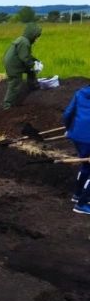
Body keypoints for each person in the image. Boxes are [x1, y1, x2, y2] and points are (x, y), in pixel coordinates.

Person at [63, 84, 90, 215]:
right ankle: (82, 204)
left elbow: (68, 113)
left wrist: (68, 129)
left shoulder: (80, 93)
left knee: (86, 165)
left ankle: (78, 195)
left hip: (77, 135)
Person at [2, 23, 42, 110]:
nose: (37, 39)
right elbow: (25, 58)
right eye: (36, 36)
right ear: (32, 35)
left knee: (31, 71)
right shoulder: (24, 42)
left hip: (16, 63)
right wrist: (34, 65)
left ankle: (32, 86)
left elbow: (27, 55)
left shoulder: (23, 40)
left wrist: (36, 61)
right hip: (13, 65)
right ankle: (7, 105)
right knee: (15, 83)